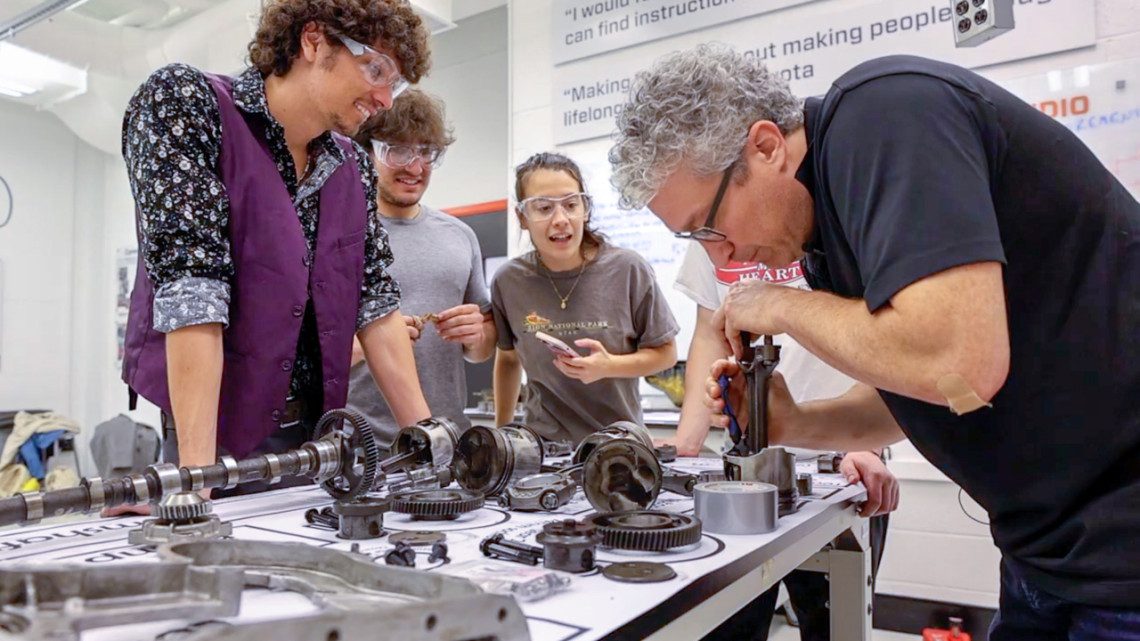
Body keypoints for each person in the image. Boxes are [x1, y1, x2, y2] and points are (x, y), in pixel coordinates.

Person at [610, 44, 1140, 637]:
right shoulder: (828, 240)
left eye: (706, 228)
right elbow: (925, 393)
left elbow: (959, 362)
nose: (720, 256)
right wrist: (794, 423)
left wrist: (782, 303)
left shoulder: (885, 113)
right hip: (1048, 554)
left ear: (765, 147)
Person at [120, 0, 433, 498]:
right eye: (376, 69)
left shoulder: (350, 164)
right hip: (212, 436)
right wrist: (194, 483)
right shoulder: (187, 102)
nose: (385, 99)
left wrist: (430, 447)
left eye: (394, 83)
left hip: (314, 442)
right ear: (314, 40)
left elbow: (375, 302)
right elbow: (192, 290)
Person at [667, 243, 896, 641]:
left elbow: (884, 327)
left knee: (833, 623)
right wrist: (686, 443)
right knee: (729, 622)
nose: (722, 246)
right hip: (746, 463)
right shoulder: (706, 230)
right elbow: (709, 332)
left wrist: (867, 442)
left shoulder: (839, 210)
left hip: (842, 461)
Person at [491, 152, 679, 444]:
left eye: (570, 205)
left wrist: (609, 366)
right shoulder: (509, 281)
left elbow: (666, 354)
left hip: (619, 449)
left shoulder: (627, 269)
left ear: (586, 209)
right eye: (543, 208)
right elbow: (507, 358)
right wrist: (502, 439)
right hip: (544, 451)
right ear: (522, 217)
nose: (561, 220)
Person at [346, 90, 496, 452]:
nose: (415, 167)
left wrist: (476, 335)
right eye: (397, 150)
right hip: (361, 448)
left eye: (426, 152)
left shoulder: (460, 236)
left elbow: (483, 348)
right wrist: (376, 341)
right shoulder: (340, 237)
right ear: (366, 153)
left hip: (449, 444)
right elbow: (310, 352)